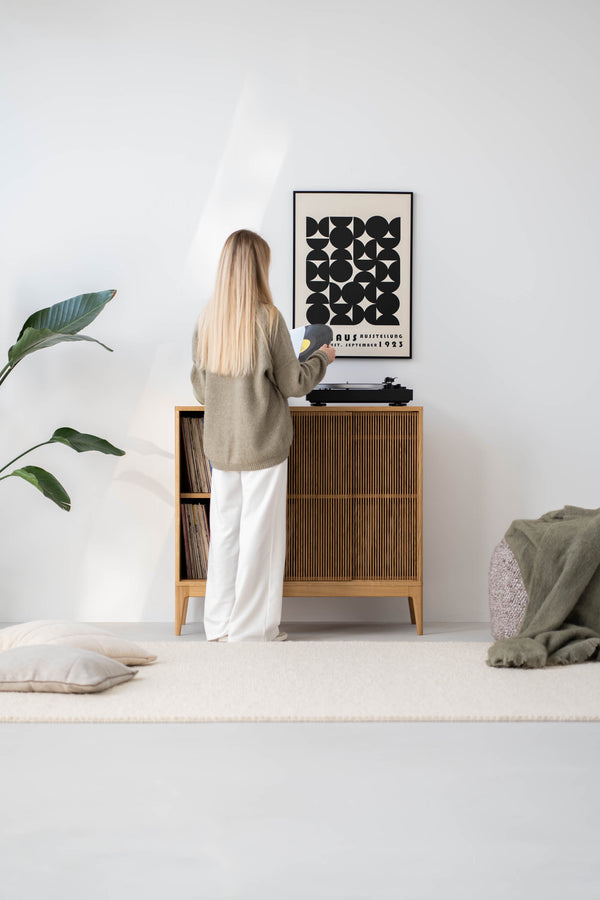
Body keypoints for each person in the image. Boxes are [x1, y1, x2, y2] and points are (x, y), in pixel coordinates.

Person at [190, 229, 336, 642]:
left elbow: (201, 391)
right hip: (264, 445)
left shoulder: (207, 321)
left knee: (226, 537)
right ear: (258, 267)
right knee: (261, 537)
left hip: (222, 447)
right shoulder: (268, 319)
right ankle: (253, 629)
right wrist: (321, 360)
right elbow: (293, 383)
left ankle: (218, 625)